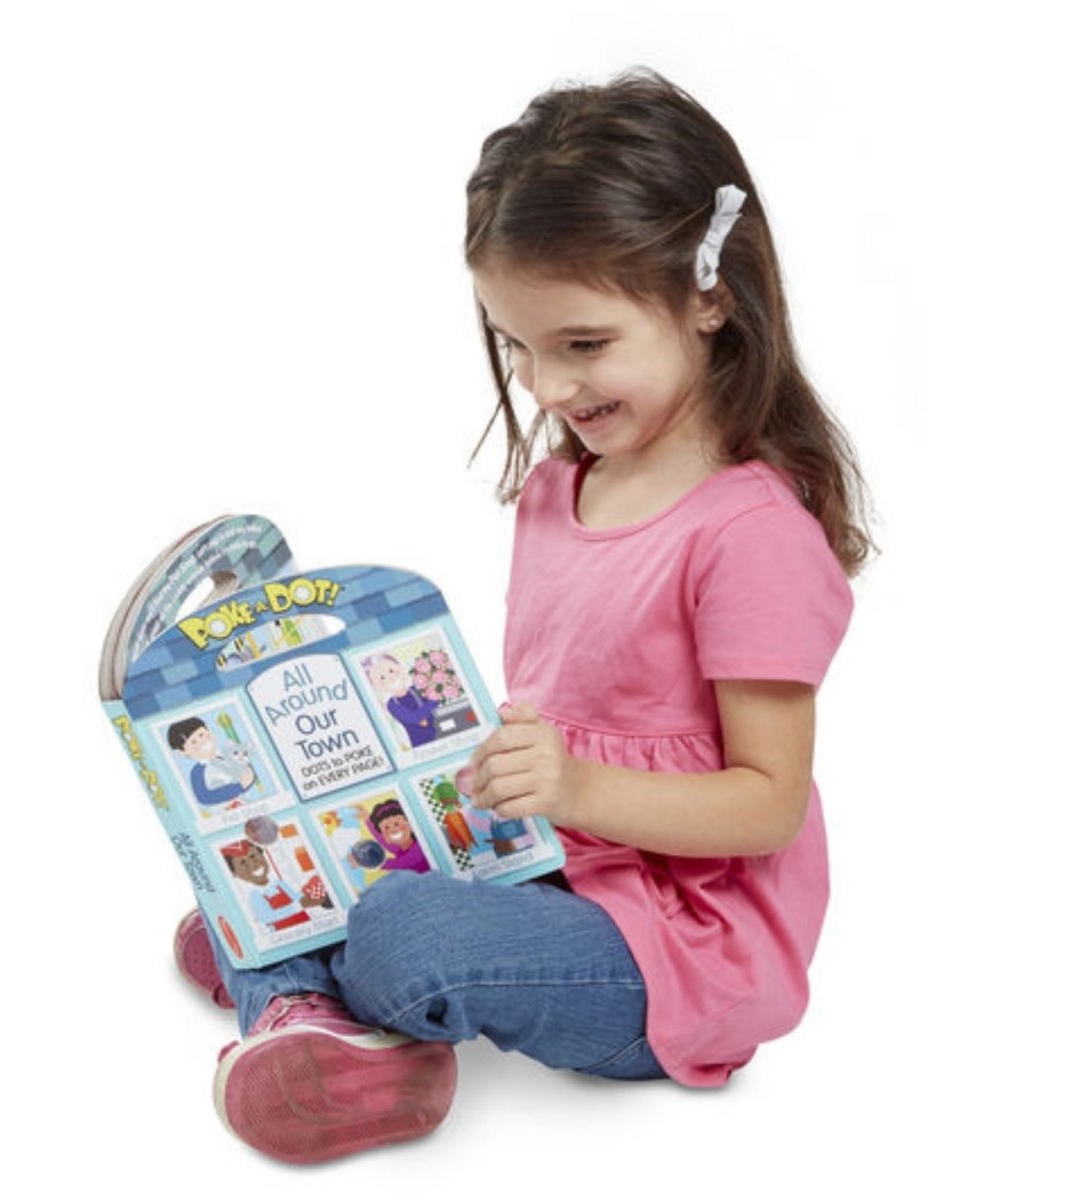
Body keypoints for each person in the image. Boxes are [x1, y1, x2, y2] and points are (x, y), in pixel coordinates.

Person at [173, 67, 872, 1166]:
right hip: (552, 858)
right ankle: (310, 1002)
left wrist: (579, 788)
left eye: (583, 345)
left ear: (710, 295)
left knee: (403, 928)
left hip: (682, 953)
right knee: (268, 842)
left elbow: (769, 806)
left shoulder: (750, 536)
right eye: (518, 347)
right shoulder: (562, 486)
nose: (546, 387)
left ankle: (303, 979)